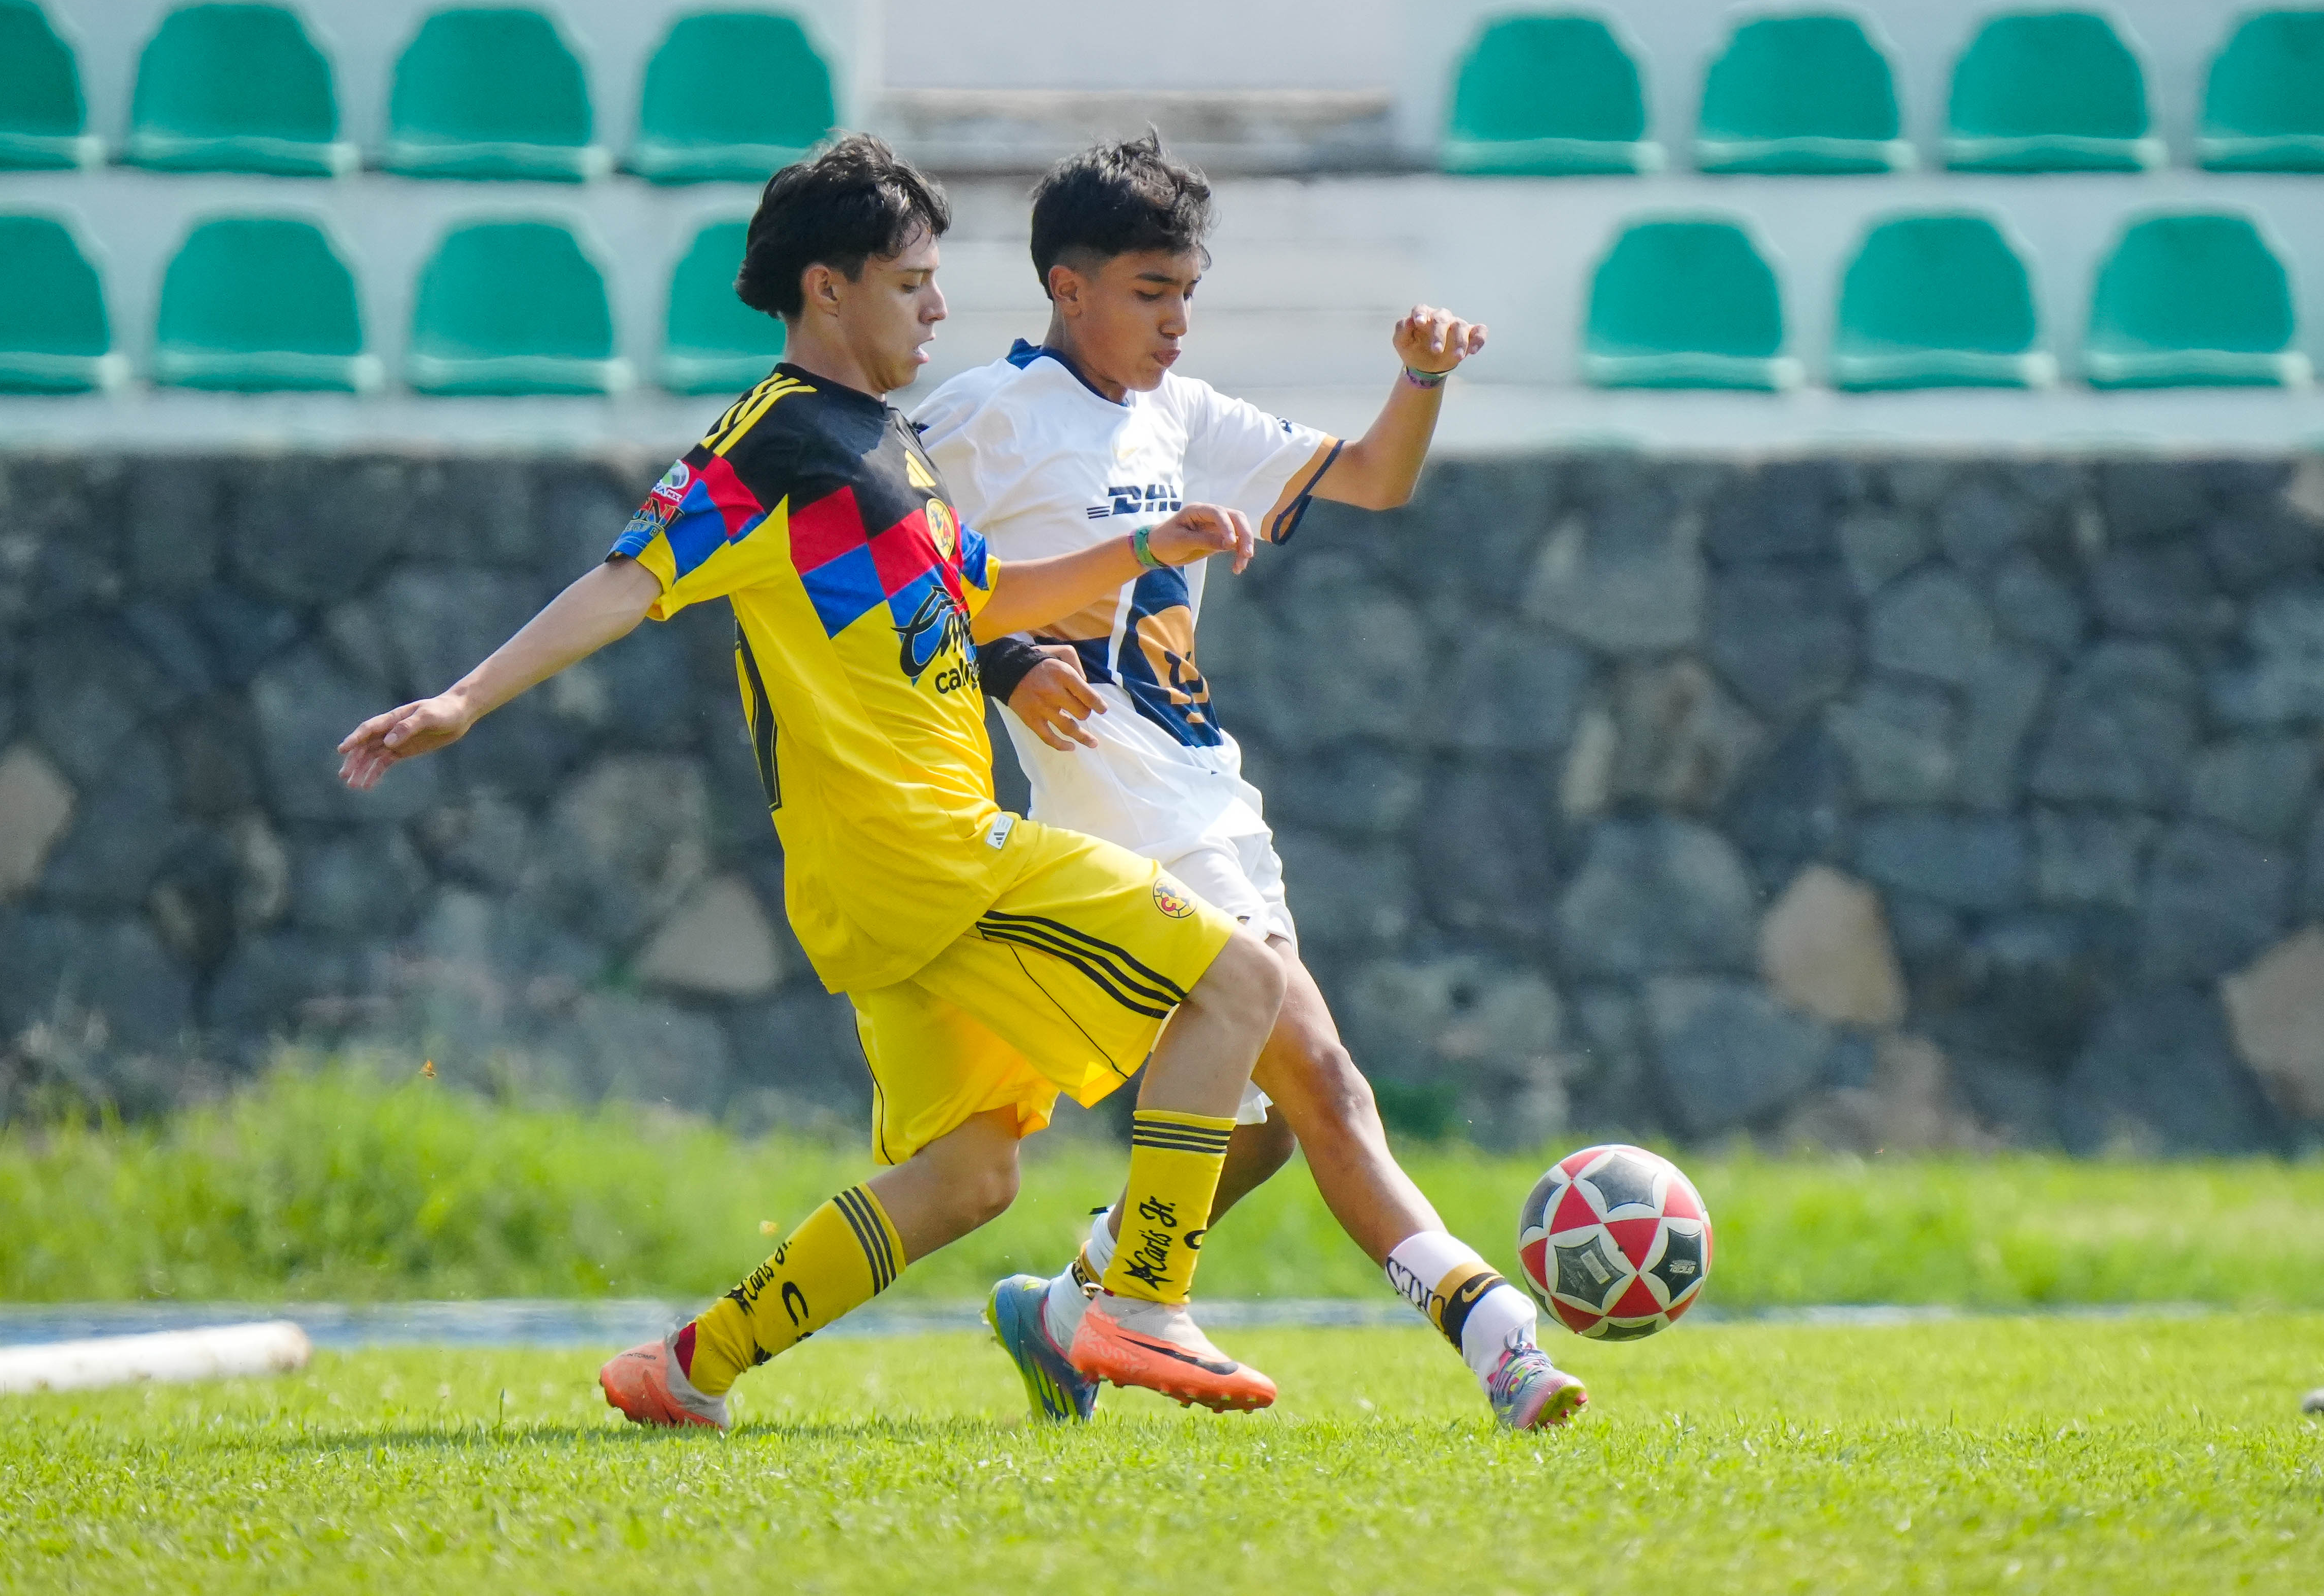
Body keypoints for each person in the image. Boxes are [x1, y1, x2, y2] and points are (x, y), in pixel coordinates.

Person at [335, 135, 1289, 1427]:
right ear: (826, 290)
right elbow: (630, 574)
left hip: (882, 872)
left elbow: (973, 603)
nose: (938, 305)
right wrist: (460, 698)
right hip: (923, 850)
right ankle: (1139, 1298)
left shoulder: (882, 447)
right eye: (911, 282)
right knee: (1240, 982)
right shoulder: (776, 444)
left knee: (967, 1179)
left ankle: (684, 1368)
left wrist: (1138, 547)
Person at [913, 134, 1587, 1431]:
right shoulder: (981, 416)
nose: (1174, 322)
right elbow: (878, 562)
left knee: (1275, 1127)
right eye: (1148, 292)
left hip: (1214, 794)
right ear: (1068, 287)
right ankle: (1500, 1342)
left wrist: (1419, 377)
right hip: (1117, 810)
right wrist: (1000, 659)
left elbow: (1377, 477)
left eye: (1185, 295)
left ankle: (1066, 1305)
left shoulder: (1189, 415)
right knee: (1326, 1081)